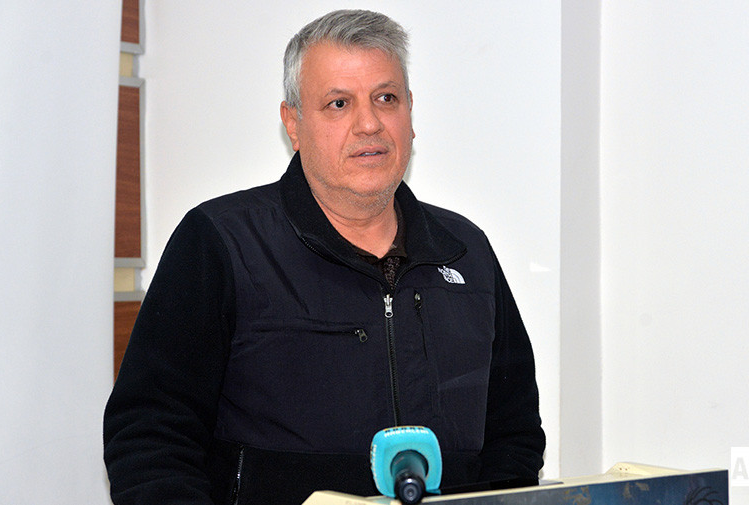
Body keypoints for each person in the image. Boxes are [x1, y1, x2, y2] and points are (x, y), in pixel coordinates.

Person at [104, 9, 545, 505]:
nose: (369, 123)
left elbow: (514, 435)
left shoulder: (465, 251)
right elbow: (150, 439)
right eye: (339, 103)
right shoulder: (221, 243)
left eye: (386, 98)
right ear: (293, 124)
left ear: (410, 113)